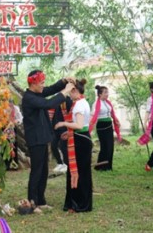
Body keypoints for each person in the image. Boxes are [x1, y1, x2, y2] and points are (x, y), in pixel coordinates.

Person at [21, 70, 74, 212]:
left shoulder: (38, 93)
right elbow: (48, 103)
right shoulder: (29, 98)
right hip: (35, 140)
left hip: (43, 138)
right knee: (36, 171)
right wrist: (65, 92)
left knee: (44, 171)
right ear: (33, 83)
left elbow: (51, 89)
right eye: (41, 83)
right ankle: (32, 203)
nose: (44, 85)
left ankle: (41, 201)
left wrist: (63, 81)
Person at [55, 79, 93, 213]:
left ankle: (79, 204)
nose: (69, 96)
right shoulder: (83, 102)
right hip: (81, 138)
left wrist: (63, 124)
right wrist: (68, 132)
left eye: (70, 92)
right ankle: (78, 202)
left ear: (75, 91)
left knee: (77, 171)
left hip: (80, 141)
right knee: (81, 171)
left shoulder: (78, 105)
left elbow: (79, 125)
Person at [88, 85, 122, 171]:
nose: (107, 94)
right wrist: (90, 126)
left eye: (107, 92)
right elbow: (93, 116)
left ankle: (108, 166)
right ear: (100, 94)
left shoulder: (108, 103)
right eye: (105, 92)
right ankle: (101, 166)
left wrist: (116, 121)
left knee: (110, 146)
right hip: (101, 126)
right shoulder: (96, 104)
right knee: (105, 147)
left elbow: (112, 113)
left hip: (109, 125)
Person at [49, 97, 73, 173]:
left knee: (63, 147)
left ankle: (66, 164)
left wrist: (69, 127)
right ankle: (59, 162)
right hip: (55, 127)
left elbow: (70, 114)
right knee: (53, 145)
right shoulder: (56, 99)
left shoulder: (68, 100)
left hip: (64, 127)